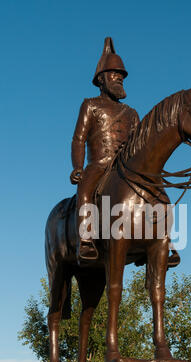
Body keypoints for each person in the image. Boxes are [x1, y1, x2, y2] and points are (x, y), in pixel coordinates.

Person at [70, 37, 139, 261]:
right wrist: (78, 167)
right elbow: (78, 139)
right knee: (86, 191)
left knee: (155, 189)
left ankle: (164, 239)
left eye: (121, 75)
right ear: (101, 79)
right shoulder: (89, 105)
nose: (119, 77)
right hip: (98, 165)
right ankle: (86, 239)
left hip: (125, 168)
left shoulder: (131, 112)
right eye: (114, 73)